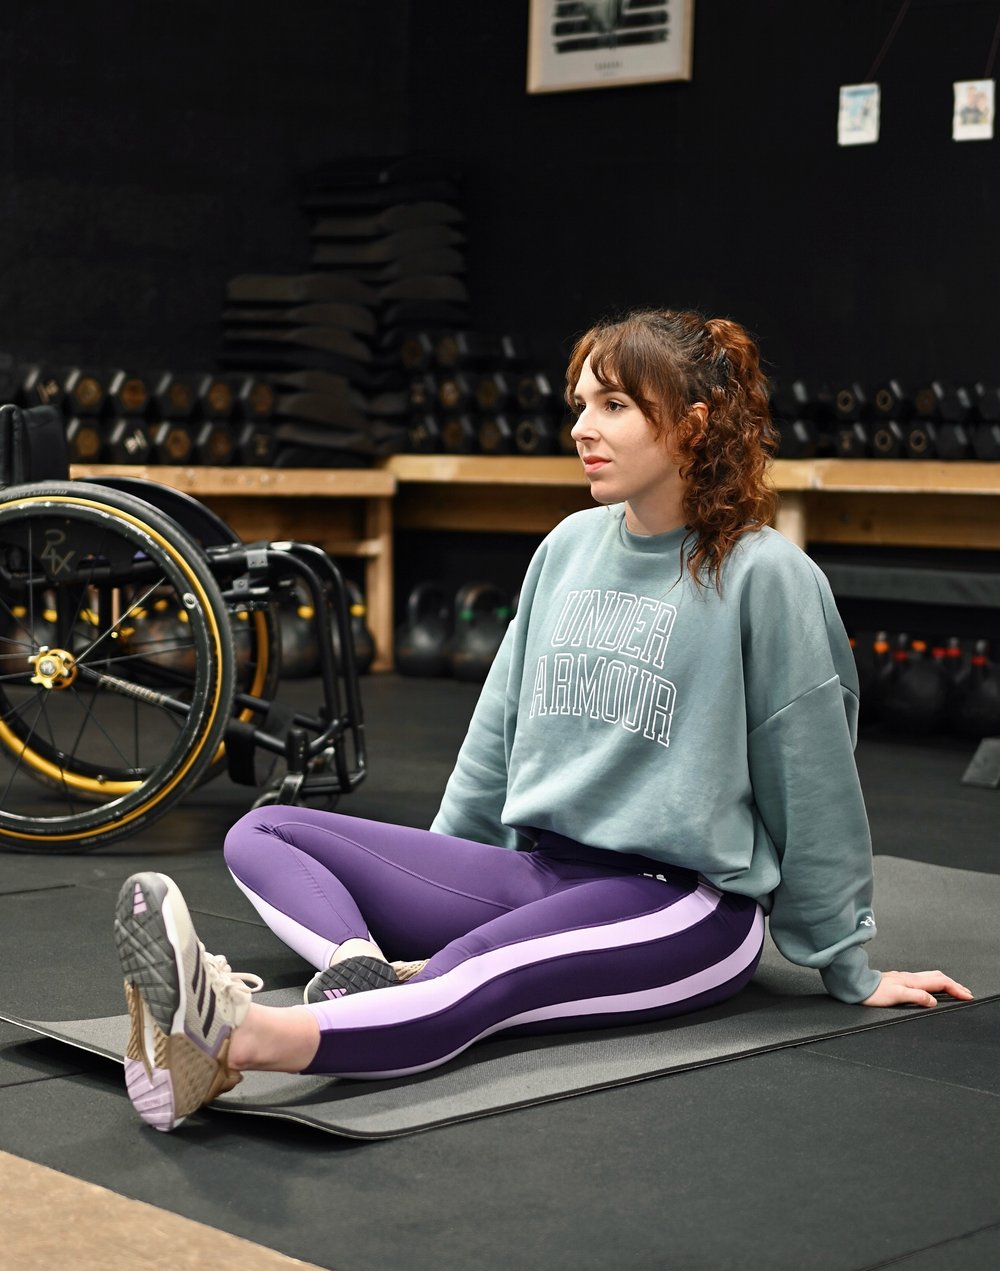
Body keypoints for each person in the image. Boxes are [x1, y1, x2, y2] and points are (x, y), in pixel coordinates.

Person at [114, 307, 973, 1132]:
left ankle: (234, 1042)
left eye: (614, 406)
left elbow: (812, 773)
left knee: (477, 975)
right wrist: (446, 870)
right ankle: (354, 972)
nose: (582, 430)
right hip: (541, 871)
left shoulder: (766, 575)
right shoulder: (566, 547)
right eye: (580, 407)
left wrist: (845, 964)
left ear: (693, 425)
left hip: (680, 905)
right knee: (265, 834)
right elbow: (499, 729)